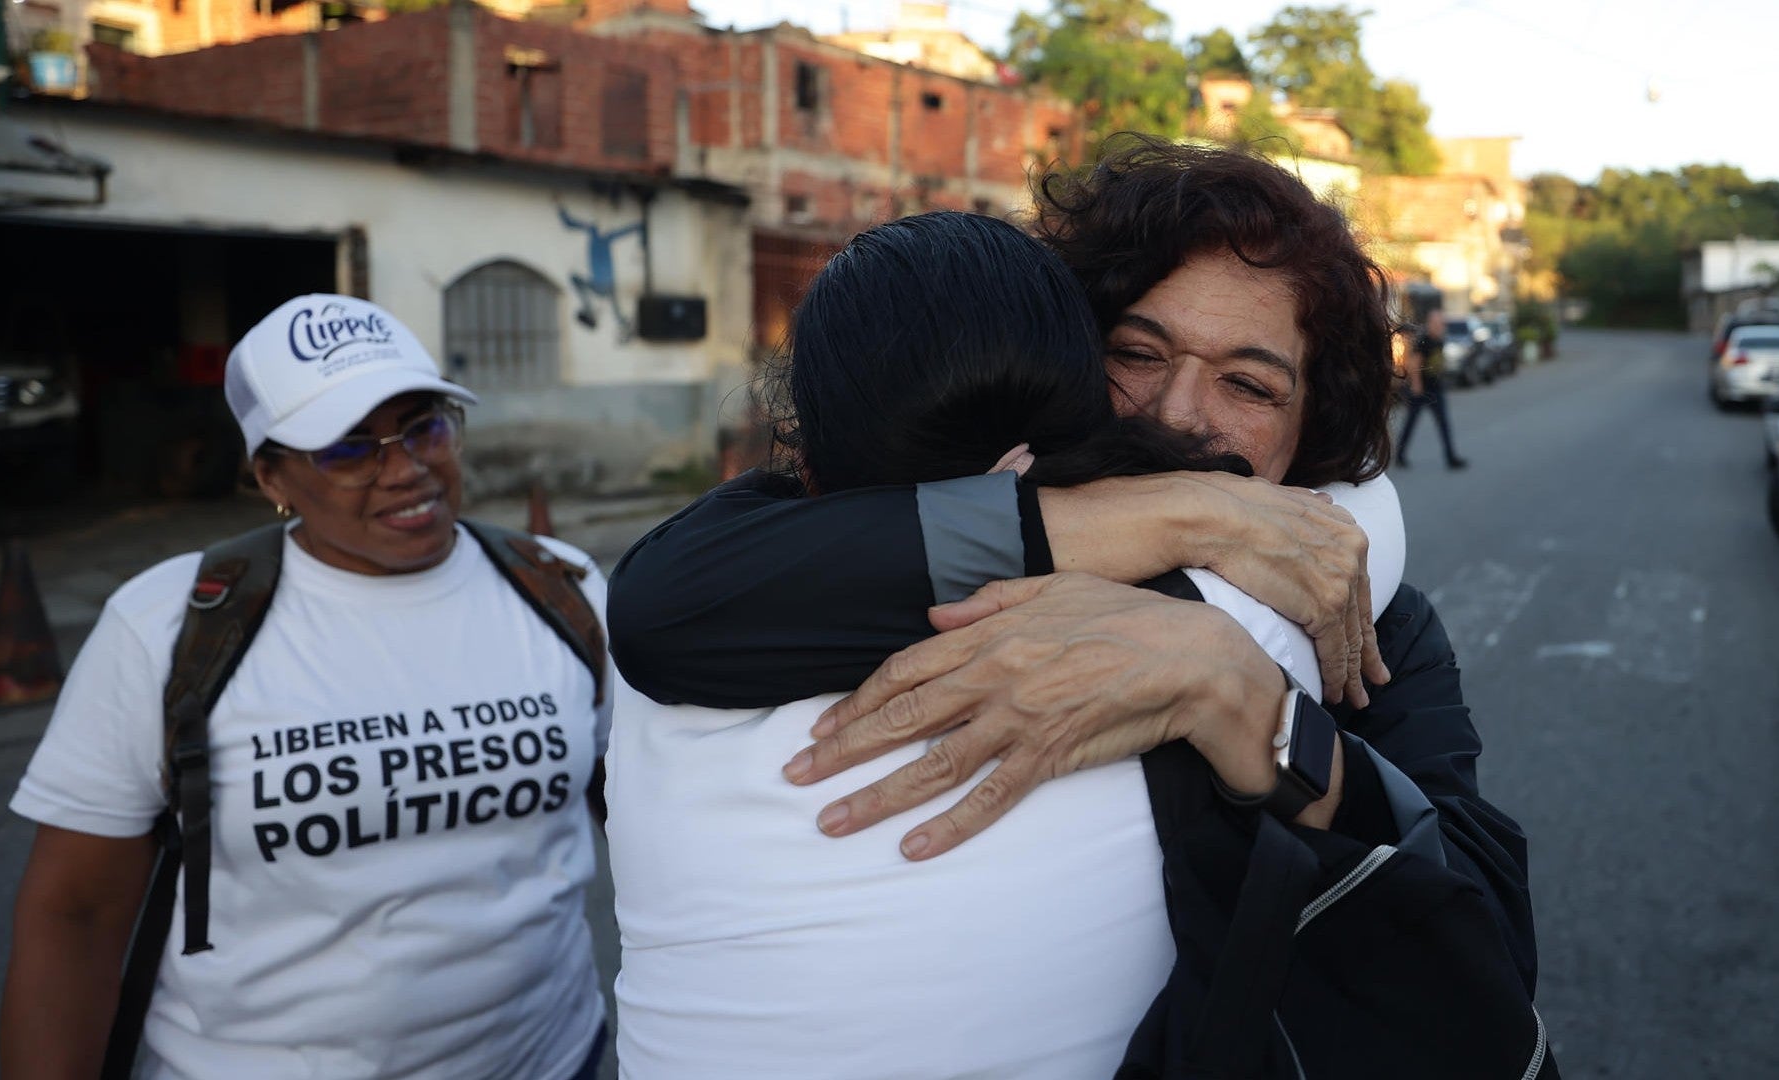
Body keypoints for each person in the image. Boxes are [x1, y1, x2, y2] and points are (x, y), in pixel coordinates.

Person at [609, 138, 1536, 1000]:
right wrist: (1155, 515)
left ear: (1312, 429)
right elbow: (666, 602)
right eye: (1136, 353)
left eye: (1248, 384)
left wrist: (1255, 711)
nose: (1178, 413)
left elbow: (1486, 935)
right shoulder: (882, 522)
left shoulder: (1361, 621)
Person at [0, 295, 612, 1080]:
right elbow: (76, 914)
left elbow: (658, 821)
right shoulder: (167, 627)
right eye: (348, 449)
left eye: (424, 427)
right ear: (271, 476)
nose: (406, 468)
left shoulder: (561, 590)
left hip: (555, 1060)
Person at [1394, 308, 1471, 470]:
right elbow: (1414, 363)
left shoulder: (1439, 340)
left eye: (1442, 323)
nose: (1441, 326)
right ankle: (1400, 455)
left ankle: (1451, 457)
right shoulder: (1424, 341)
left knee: (1443, 424)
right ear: (1430, 324)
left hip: (1436, 389)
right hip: (1421, 390)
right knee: (1410, 423)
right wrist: (1416, 385)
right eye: (1437, 323)